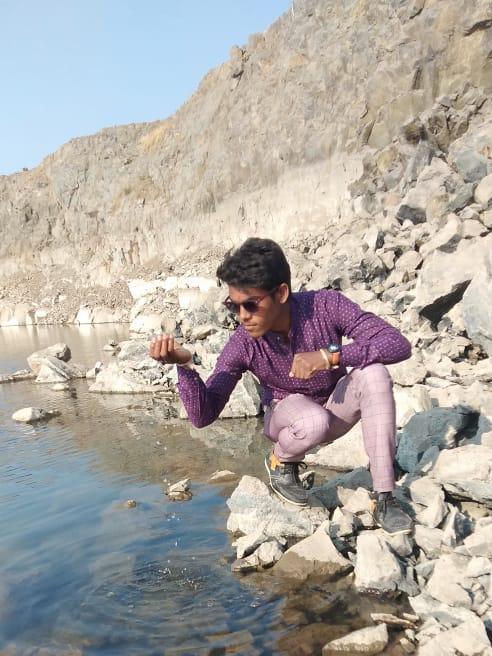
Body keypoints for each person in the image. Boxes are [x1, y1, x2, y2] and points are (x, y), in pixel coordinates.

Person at [149, 238, 413, 535]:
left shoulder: (326, 306)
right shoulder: (243, 344)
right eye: (233, 306)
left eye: (251, 304)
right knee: (313, 420)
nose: (243, 316)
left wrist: (328, 357)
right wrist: (184, 365)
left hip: (334, 409)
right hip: (287, 416)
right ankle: (281, 462)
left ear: (282, 293)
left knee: (374, 374)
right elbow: (202, 416)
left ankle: (385, 497)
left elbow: (397, 344)